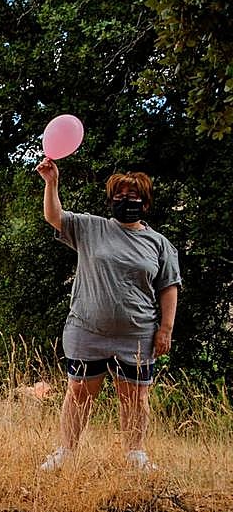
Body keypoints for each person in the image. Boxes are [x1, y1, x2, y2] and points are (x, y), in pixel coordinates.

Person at [36, 163, 181, 472]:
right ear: (110, 199)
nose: (124, 199)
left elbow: (169, 288)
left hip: (138, 334)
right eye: (118, 194)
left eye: (132, 195)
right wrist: (52, 183)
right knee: (78, 393)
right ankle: (66, 452)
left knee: (135, 397)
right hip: (88, 331)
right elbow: (54, 217)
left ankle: (135, 455)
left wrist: (165, 329)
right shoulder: (91, 227)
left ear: (145, 202)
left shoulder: (160, 244)